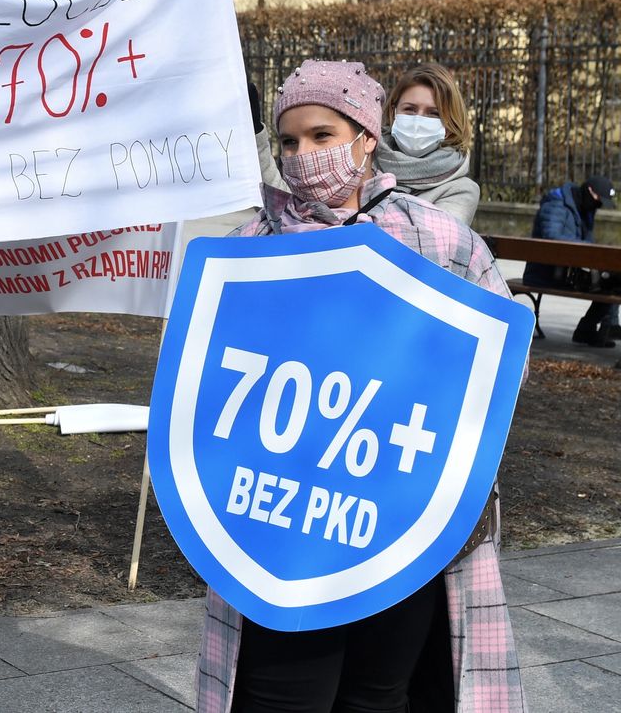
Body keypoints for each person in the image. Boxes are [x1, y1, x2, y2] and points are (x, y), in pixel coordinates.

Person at [197, 60, 525, 713]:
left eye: (322, 135)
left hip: (405, 513)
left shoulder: (443, 241)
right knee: (280, 695)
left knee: (380, 696)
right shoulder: (252, 243)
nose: (303, 155)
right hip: (286, 517)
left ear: (366, 137)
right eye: (289, 142)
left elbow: (497, 367)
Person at [377, 62, 481, 225]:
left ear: (449, 124)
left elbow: (429, 243)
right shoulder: (364, 162)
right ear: (393, 111)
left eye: (433, 113)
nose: (418, 120)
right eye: (410, 109)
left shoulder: (461, 190)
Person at [523, 175, 618, 347]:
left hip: (567, 272)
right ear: (590, 191)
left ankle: (598, 329)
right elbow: (552, 236)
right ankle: (594, 328)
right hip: (545, 273)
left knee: (614, 280)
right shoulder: (556, 204)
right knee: (610, 283)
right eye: (599, 200)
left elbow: (587, 246)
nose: (599, 205)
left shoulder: (585, 208)